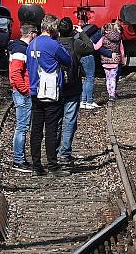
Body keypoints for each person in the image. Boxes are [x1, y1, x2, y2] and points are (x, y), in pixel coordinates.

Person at [27, 14, 72, 177]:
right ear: (53, 28)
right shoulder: (54, 45)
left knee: (36, 129)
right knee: (51, 129)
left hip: (35, 90)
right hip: (52, 91)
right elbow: (68, 60)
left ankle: (36, 166)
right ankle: (52, 165)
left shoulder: (32, 44)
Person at [56, 17, 94, 164]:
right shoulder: (76, 43)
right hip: (73, 86)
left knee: (56, 120)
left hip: (57, 87)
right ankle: (65, 153)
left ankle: (55, 150)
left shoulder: (54, 43)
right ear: (72, 29)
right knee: (70, 120)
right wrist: (82, 32)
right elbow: (90, 47)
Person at [8, 23, 37, 172]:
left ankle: (20, 159)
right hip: (22, 93)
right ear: (31, 34)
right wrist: (26, 90)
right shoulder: (20, 49)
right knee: (22, 127)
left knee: (22, 127)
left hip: (21, 91)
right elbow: (15, 73)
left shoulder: (17, 47)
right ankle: (18, 160)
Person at [97, 21, 126, 101]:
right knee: (113, 78)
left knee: (108, 78)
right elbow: (122, 50)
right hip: (115, 61)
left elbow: (96, 47)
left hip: (105, 62)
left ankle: (110, 93)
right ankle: (112, 94)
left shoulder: (103, 38)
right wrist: (122, 60)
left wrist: (91, 44)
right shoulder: (119, 38)